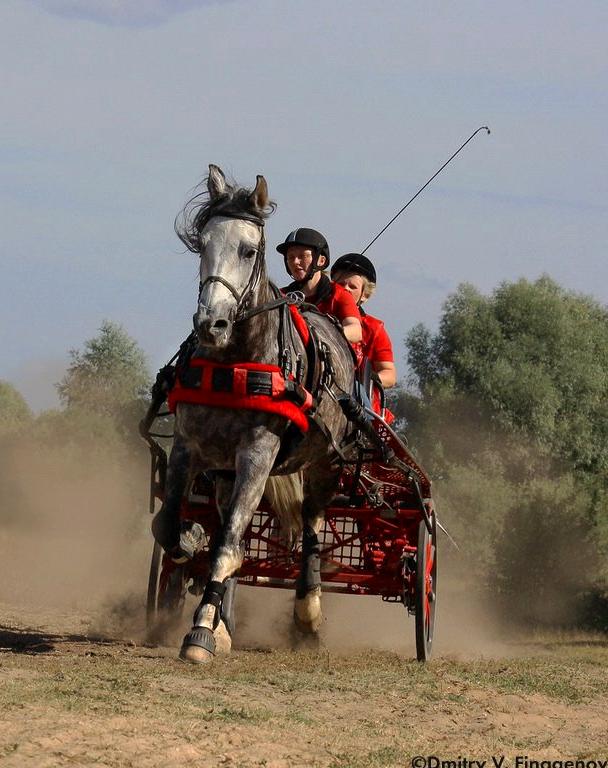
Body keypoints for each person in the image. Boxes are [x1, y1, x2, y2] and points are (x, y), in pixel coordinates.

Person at [277, 228, 362, 344]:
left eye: (302, 256)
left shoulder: (339, 295)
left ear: (321, 260)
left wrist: (319, 336)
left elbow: (355, 331)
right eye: (290, 257)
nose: (295, 261)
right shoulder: (279, 297)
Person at [330, 253, 396, 389]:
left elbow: (389, 375)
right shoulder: (318, 317)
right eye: (341, 284)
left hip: (359, 397)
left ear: (365, 295)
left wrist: (366, 378)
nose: (345, 289)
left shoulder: (374, 328)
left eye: (352, 286)